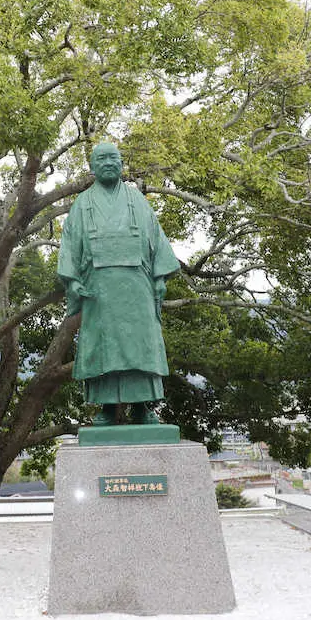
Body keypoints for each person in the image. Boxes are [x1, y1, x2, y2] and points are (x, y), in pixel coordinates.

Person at [56, 142, 180, 425]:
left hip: (137, 285)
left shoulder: (137, 200)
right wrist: (73, 282)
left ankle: (142, 406)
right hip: (99, 289)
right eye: (102, 159)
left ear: (122, 163)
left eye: (114, 158)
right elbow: (70, 246)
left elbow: (156, 240)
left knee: (141, 344)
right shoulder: (83, 204)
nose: (109, 163)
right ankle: (107, 409)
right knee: (102, 347)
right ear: (92, 167)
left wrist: (159, 278)